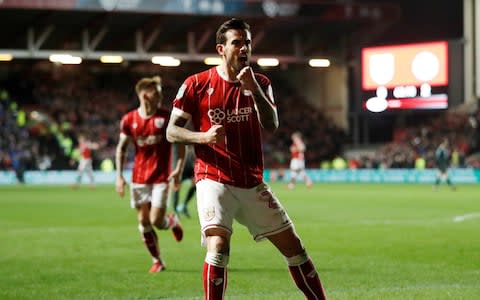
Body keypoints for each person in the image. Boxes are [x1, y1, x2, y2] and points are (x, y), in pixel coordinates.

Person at [166, 18, 327, 299]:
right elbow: (171, 131)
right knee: (218, 246)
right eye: (237, 42)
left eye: (248, 43)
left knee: (296, 250)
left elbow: (272, 123)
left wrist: (254, 90)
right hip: (213, 177)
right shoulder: (197, 84)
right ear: (221, 48)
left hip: (251, 181)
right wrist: (202, 138)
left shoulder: (261, 82)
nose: (244, 48)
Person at [115, 75, 185, 273]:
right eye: (157, 93)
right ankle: (157, 260)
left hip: (161, 178)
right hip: (138, 178)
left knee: (156, 221)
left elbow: (181, 144)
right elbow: (121, 148)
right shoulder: (129, 120)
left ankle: (170, 221)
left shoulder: (166, 117)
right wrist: (119, 176)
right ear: (145, 96)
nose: (161, 97)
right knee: (143, 222)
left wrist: (178, 168)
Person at [173, 144, 196, 218]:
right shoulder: (178, 141)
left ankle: (184, 205)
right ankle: (175, 210)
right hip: (180, 167)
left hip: (191, 166)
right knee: (176, 188)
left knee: (195, 184)